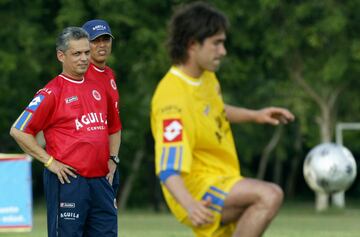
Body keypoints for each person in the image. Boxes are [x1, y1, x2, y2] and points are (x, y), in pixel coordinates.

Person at [150, 2, 295, 237]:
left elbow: (214, 109)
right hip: (194, 189)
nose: (223, 51)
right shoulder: (172, 101)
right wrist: (189, 204)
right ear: (192, 44)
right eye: (217, 43)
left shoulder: (206, 77)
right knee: (268, 195)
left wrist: (255, 115)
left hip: (222, 176)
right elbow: (167, 168)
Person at [10, 27, 120, 237]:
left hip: (101, 182)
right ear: (61, 56)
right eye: (76, 54)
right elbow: (18, 130)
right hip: (70, 181)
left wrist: (113, 159)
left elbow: (114, 127)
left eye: (87, 52)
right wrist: (50, 162)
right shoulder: (51, 92)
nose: (84, 58)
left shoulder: (98, 87)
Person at [82, 19, 122, 194]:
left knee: (108, 221)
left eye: (106, 39)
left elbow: (114, 124)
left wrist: (113, 160)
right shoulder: (79, 74)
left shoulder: (109, 74)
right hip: (83, 169)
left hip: (106, 167)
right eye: (95, 40)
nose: (101, 45)